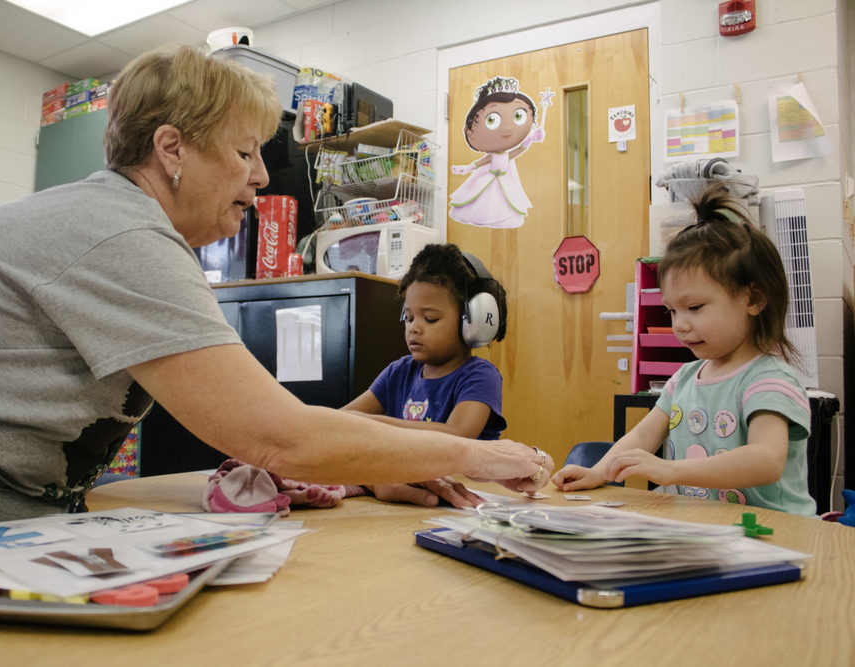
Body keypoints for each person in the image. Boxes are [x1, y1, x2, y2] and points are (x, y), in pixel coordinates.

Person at [0, 44, 553, 558]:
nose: (258, 177)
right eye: (245, 152)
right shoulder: (122, 232)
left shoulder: (126, 227)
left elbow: (280, 426)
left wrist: (397, 461)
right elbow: (278, 435)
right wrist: (480, 457)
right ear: (172, 149)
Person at [551, 182, 816, 516]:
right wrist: (599, 472)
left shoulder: (769, 380)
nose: (680, 324)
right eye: (671, 311)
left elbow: (766, 460)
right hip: (706, 529)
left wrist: (670, 470)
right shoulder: (684, 378)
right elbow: (640, 438)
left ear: (754, 299)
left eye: (695, 307)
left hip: (777, 535)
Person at [344, 243, 525, 509]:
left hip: (464, 505)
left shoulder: (480, 376)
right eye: (408, 318)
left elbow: (457, 434)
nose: (414, 328)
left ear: (472, 321)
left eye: (429, 319)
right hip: (401, 502)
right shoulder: (399, 372)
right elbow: (342, 420)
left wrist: (372, 426)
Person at [448, 75, 546, 229]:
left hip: (504, 182)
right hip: (489, 179)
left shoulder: (507, 155)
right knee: (484, 201)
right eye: (492, 120)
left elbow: (519, 149)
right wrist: (466, 168)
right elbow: (482, 162)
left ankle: (502, 219)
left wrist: (531, 138)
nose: (507, 128)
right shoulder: (494, 155)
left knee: (504, 203)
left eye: (518, 116)